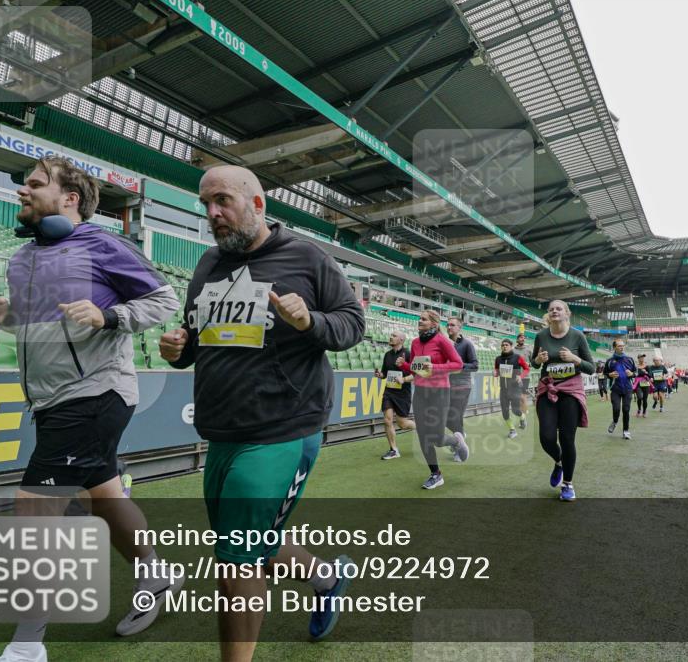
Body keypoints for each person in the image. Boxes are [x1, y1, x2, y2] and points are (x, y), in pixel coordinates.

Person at [0, 157, 182, 662]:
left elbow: (164, 300)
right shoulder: (22, 258)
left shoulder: (102, 243)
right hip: (49, 399)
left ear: (70, 199)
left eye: (36, 183)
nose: (24, 190)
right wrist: (10, 316)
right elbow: (41, 319)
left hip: (95, 391)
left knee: (35, 506)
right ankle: (157, 574)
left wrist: (109, 315)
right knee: (106, 497)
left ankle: (27, 646)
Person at [158, 165, 365, 660]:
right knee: (255, 545)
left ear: (257, 204)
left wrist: (308, 319)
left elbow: (352, 324)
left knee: (235, 563)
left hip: (282, 430)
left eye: (223, 201)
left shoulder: (307, 257)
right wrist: (177, 349)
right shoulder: (208, 264)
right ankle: (326, 576)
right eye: (206, 203)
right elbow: (199, 340)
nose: (213, 213)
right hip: (221, 431)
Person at [532, 300, 594, 501]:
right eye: (551, 309)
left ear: (567, 313)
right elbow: (534, 363)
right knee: (546, 437)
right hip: (548, 388)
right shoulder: (541, 336)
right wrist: (539, 361)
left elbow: (591, 368)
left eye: (558, 308)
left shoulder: (577, 336)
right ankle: (559, 461)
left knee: (567, 438)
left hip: (570, 391)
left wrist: (574, 359)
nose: (554, 311)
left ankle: (568, 484)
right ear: (548, 315)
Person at [409, 310, 467, 489]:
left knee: (437, 437)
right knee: (423, 435)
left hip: (439, 393)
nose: (420, 321)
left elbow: (458, 364)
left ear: (434, 324)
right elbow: (414, 368)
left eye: (424, 319)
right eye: (419, 318)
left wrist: (434, 367)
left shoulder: (442, 340)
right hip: (419, 392)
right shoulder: (414, 343)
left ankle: (456, 441)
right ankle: (436, 474)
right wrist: (405, 366)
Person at [374, 331, 416, 460]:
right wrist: (380, 375)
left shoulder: (408, 354)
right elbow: (385, 374)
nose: (390, 337)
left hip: (403, 393)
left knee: (402, 424)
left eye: (394, 336)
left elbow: (416, 374)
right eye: (390, 335)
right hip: (389, 391)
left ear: (402, 339)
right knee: (387, 420)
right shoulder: (387, 355)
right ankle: (393, 450)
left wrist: (403, 379)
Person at [443, 316, 478, 463]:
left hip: (463, 385)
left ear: (459, 328)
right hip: (446, 385)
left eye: (452, 325)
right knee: (445, 418)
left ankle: (459, 449)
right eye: (448, 325)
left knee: (455, 417)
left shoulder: (467, 344)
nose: (449, 327)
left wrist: (459, 365)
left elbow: (475, 365)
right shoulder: (444, 344)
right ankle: (461, 434)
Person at [494, 338, 529, 438]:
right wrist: (495, 373)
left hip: (514, 389)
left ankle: (522, 418)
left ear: (511, 346)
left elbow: (526, 369)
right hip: (503, 390)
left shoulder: (517, 357)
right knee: (505, 412)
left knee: (515, 411)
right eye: (503, 345)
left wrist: (520, 376)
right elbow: (496, 370)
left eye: (506, 345)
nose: (504, 346)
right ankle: (512, 430)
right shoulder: (498, 359)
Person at [605, 340, 636, 440]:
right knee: (616, 409)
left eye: (623, 346)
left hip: (627, 389)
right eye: (619, 346)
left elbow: (636, 372)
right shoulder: (609, 361)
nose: (622, 347)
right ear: (614, 347)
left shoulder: (630, 359)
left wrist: (632, 374)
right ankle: (614, 421)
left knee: (626, 410)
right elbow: (605, 373)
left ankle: (626, 431)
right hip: (615, 389)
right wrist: (609, 375)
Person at [513, 332, 531, 429]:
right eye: (520, 337)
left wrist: (530, 364)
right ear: (517, 340)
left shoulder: (528, 350)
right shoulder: (513, 350)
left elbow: (533, 362)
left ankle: (523, 420)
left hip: (525, 376)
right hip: (515, 377)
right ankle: (523, 417)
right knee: (518, 398)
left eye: (523, 338)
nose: (522, 339)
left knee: (523, 397)